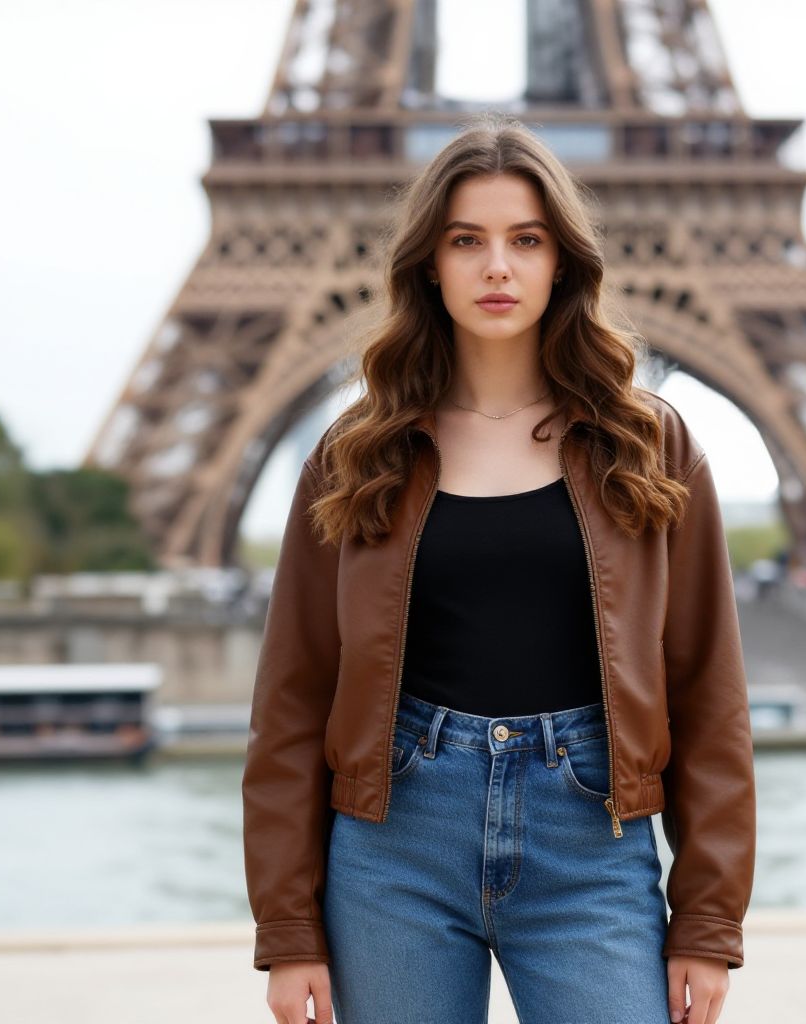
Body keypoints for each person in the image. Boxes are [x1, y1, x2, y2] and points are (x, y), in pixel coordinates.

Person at [242, 112, 756, 1024]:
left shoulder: (649, 444)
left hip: (590, 838)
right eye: (466, 241)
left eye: (526, 240)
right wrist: (289, 931)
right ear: (428, 265)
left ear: (562, 260)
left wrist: (707, 923)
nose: (497, 267)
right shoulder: (356, 453)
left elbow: (707, 688)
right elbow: (292, 697)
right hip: (393, 843)